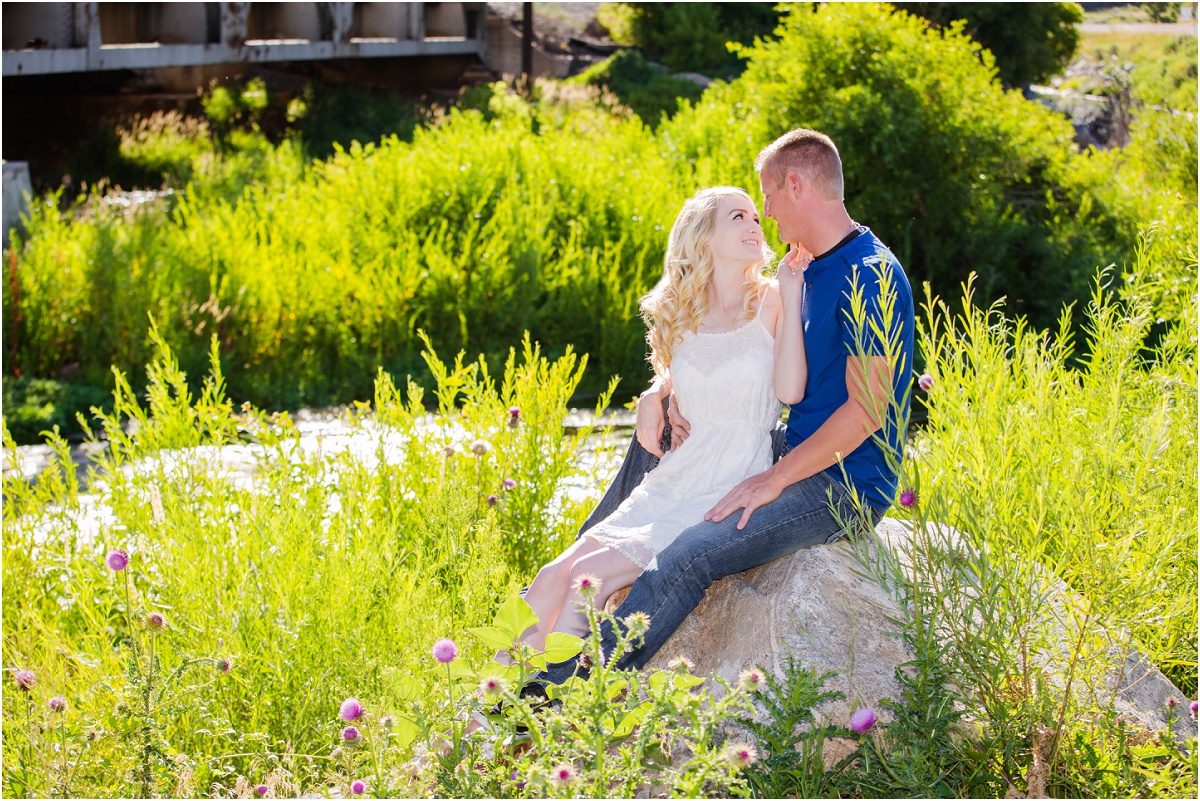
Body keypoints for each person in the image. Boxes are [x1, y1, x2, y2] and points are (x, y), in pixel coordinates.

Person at [543, 127, 916, 683]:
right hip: (793, 450)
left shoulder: (872, 275)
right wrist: (660, 393)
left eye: (766, 197)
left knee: (690, 556)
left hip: (844, 484)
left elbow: (867, 412)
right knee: (655, 449)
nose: (764, 214)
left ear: (795, 185)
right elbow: (738, 348)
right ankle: (570, 579)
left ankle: (568, 691)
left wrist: (774, 479)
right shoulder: (807, 265)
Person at [507, 185, 807, 656]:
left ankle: (543, 699)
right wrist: (656, 390)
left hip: (732, 473)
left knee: (594, 578)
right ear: (703, 235)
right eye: (738, 217)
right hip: (677, 475)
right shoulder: (682, 309)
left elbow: (790, 391)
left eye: (755, 217)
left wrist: (792, 290)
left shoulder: (774, 299)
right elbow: (681, 369)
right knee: (553, 573)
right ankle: (490, 702)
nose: (755, 225)